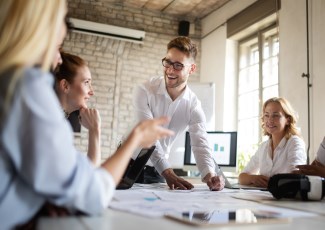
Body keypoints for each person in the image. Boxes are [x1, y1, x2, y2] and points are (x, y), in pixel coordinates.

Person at [0, 1, 174, 229]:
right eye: (57, 45)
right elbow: (92, 193)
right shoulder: (26, 87)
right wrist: (135, 139)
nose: (58, 59)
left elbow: (65, 177)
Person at [133, 36, 225, 191]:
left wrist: (210, 175)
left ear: (192, 69)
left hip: (157, 172)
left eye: (178, 65)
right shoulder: (144, 90)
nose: (170, 70)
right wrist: (168, 172)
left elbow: (200, 144)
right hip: (128, 164)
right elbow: (148, 134)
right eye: (168, 62)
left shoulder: (193, 105)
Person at [238, 97, 307, 188]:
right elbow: (242, 177)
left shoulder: (295, 143)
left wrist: (271, 182)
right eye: (267, 115)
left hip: (286, 199)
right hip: (265, 198)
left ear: (288, 119)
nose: (270, 120)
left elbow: (295, 178)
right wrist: (253, 178)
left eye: (276, 115)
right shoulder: (264, 147)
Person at [54, 51, 101, 165]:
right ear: (65, 86)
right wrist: (95, 130)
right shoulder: (50, 125)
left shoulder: (59, 122)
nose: (91, 92)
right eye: (86, 82)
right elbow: (89, 177)